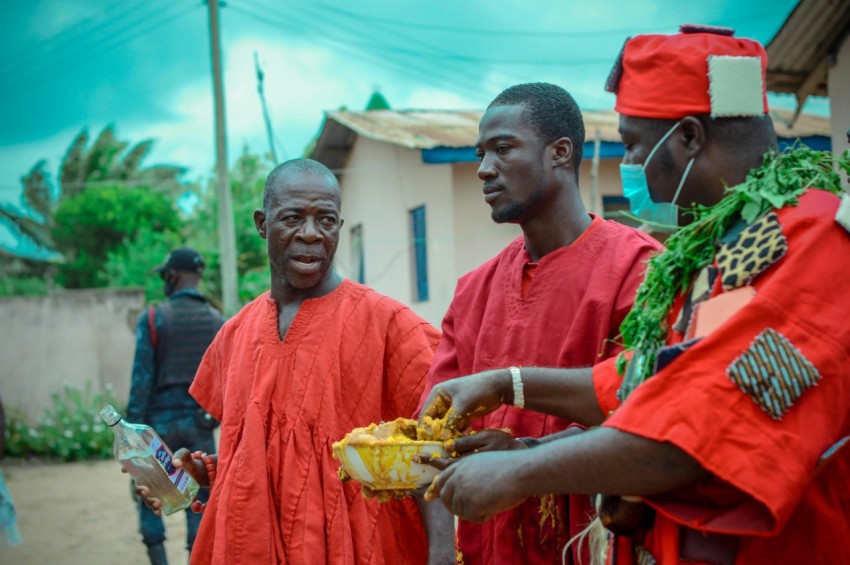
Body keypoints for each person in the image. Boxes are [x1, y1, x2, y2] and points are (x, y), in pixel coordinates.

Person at [420, 26, 850, 564]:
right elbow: (646, 383)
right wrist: (515, 407)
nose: (629, 167)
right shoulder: (734, 248)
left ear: (690, 138)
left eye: (634, 145)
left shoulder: (815, 244)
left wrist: (521, 470)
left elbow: (692, 433)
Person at [136, 159, 448, 564]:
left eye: (326, 220)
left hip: (356, 546)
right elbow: (255, 457)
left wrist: (442, 551)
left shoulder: (389, 323)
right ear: (262, 224)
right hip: (248, 546)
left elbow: (435, 448)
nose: (311, 234)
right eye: (294, 218)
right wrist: (202, 475)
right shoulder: (235, 333)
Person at [415, 83, 661, 564]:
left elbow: (642, 415)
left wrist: (526, 451)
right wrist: (442, 552)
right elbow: (431, 441)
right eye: (481, 153)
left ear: (560, 152)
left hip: (596, 542)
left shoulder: (639, 268)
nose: (484, 169)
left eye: (503, 149)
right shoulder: (475, 291)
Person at [127, 247, 224, 565]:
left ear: (172, 275)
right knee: (200, 499)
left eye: (165, 275)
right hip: (199, 425)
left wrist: (131, 439)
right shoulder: (217, 321)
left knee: (149, 494)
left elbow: (141, 382)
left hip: (158, 427)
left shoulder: (154, 317)